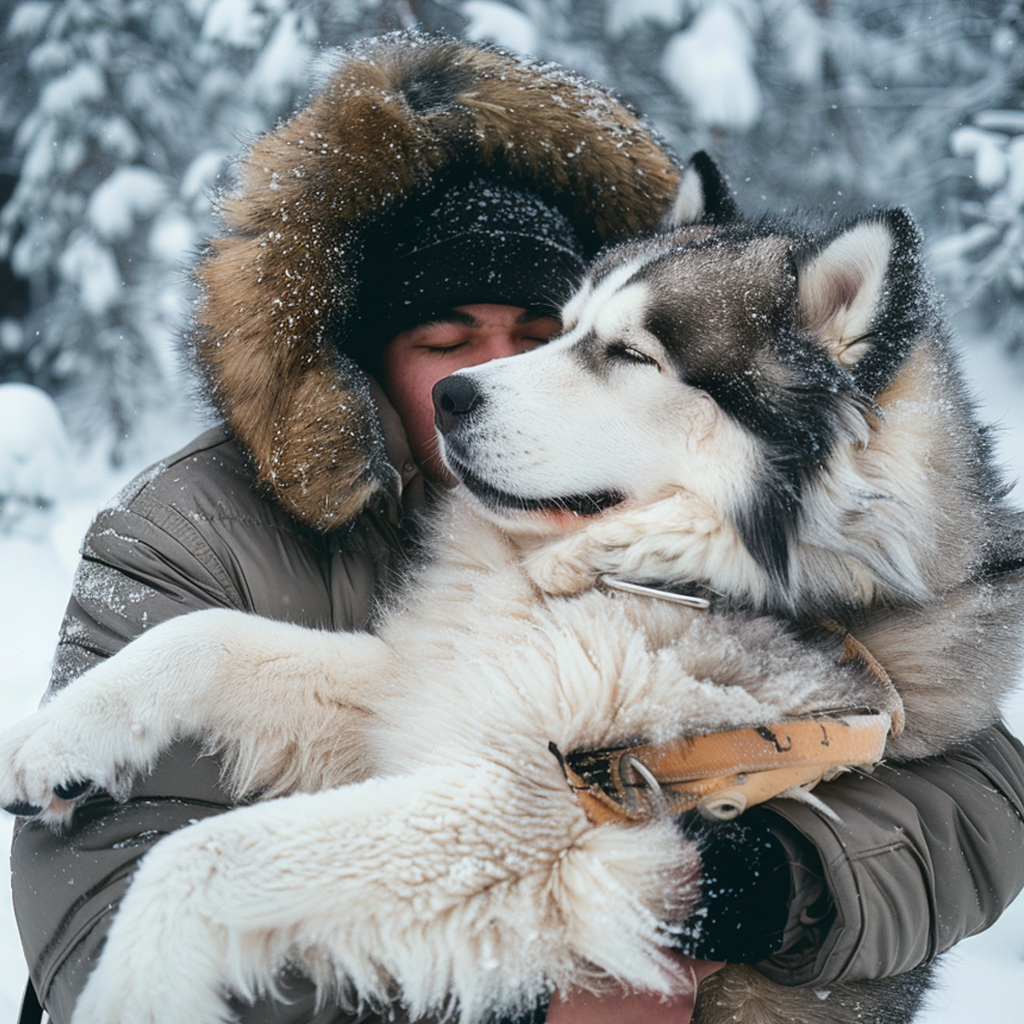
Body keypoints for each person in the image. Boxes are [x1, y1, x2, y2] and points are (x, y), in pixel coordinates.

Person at [10, 31, 1024, 1024]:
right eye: (442, 341)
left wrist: (780, 884)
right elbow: (89, 913)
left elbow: (981, 801)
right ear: (361, 361)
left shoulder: (720, 566)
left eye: (551, 337)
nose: (485, 379)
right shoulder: (190, 531)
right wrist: (524, 1003)